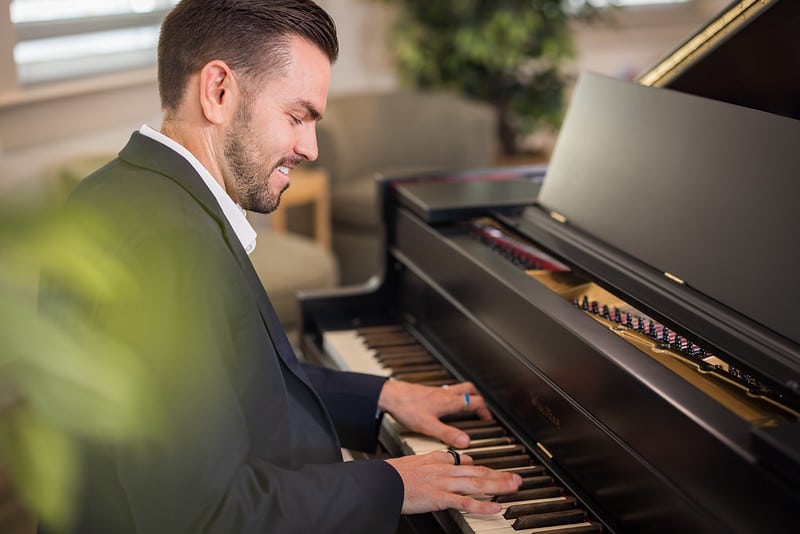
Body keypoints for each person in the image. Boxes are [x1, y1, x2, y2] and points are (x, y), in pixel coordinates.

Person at [44, 1, 521, 532]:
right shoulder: (171, 247)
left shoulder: (120, 188)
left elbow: (231, 384)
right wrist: (394, 482)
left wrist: (384, 396)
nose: (310, 147)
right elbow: (208, 516)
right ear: (218, 91)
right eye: (296, 117)